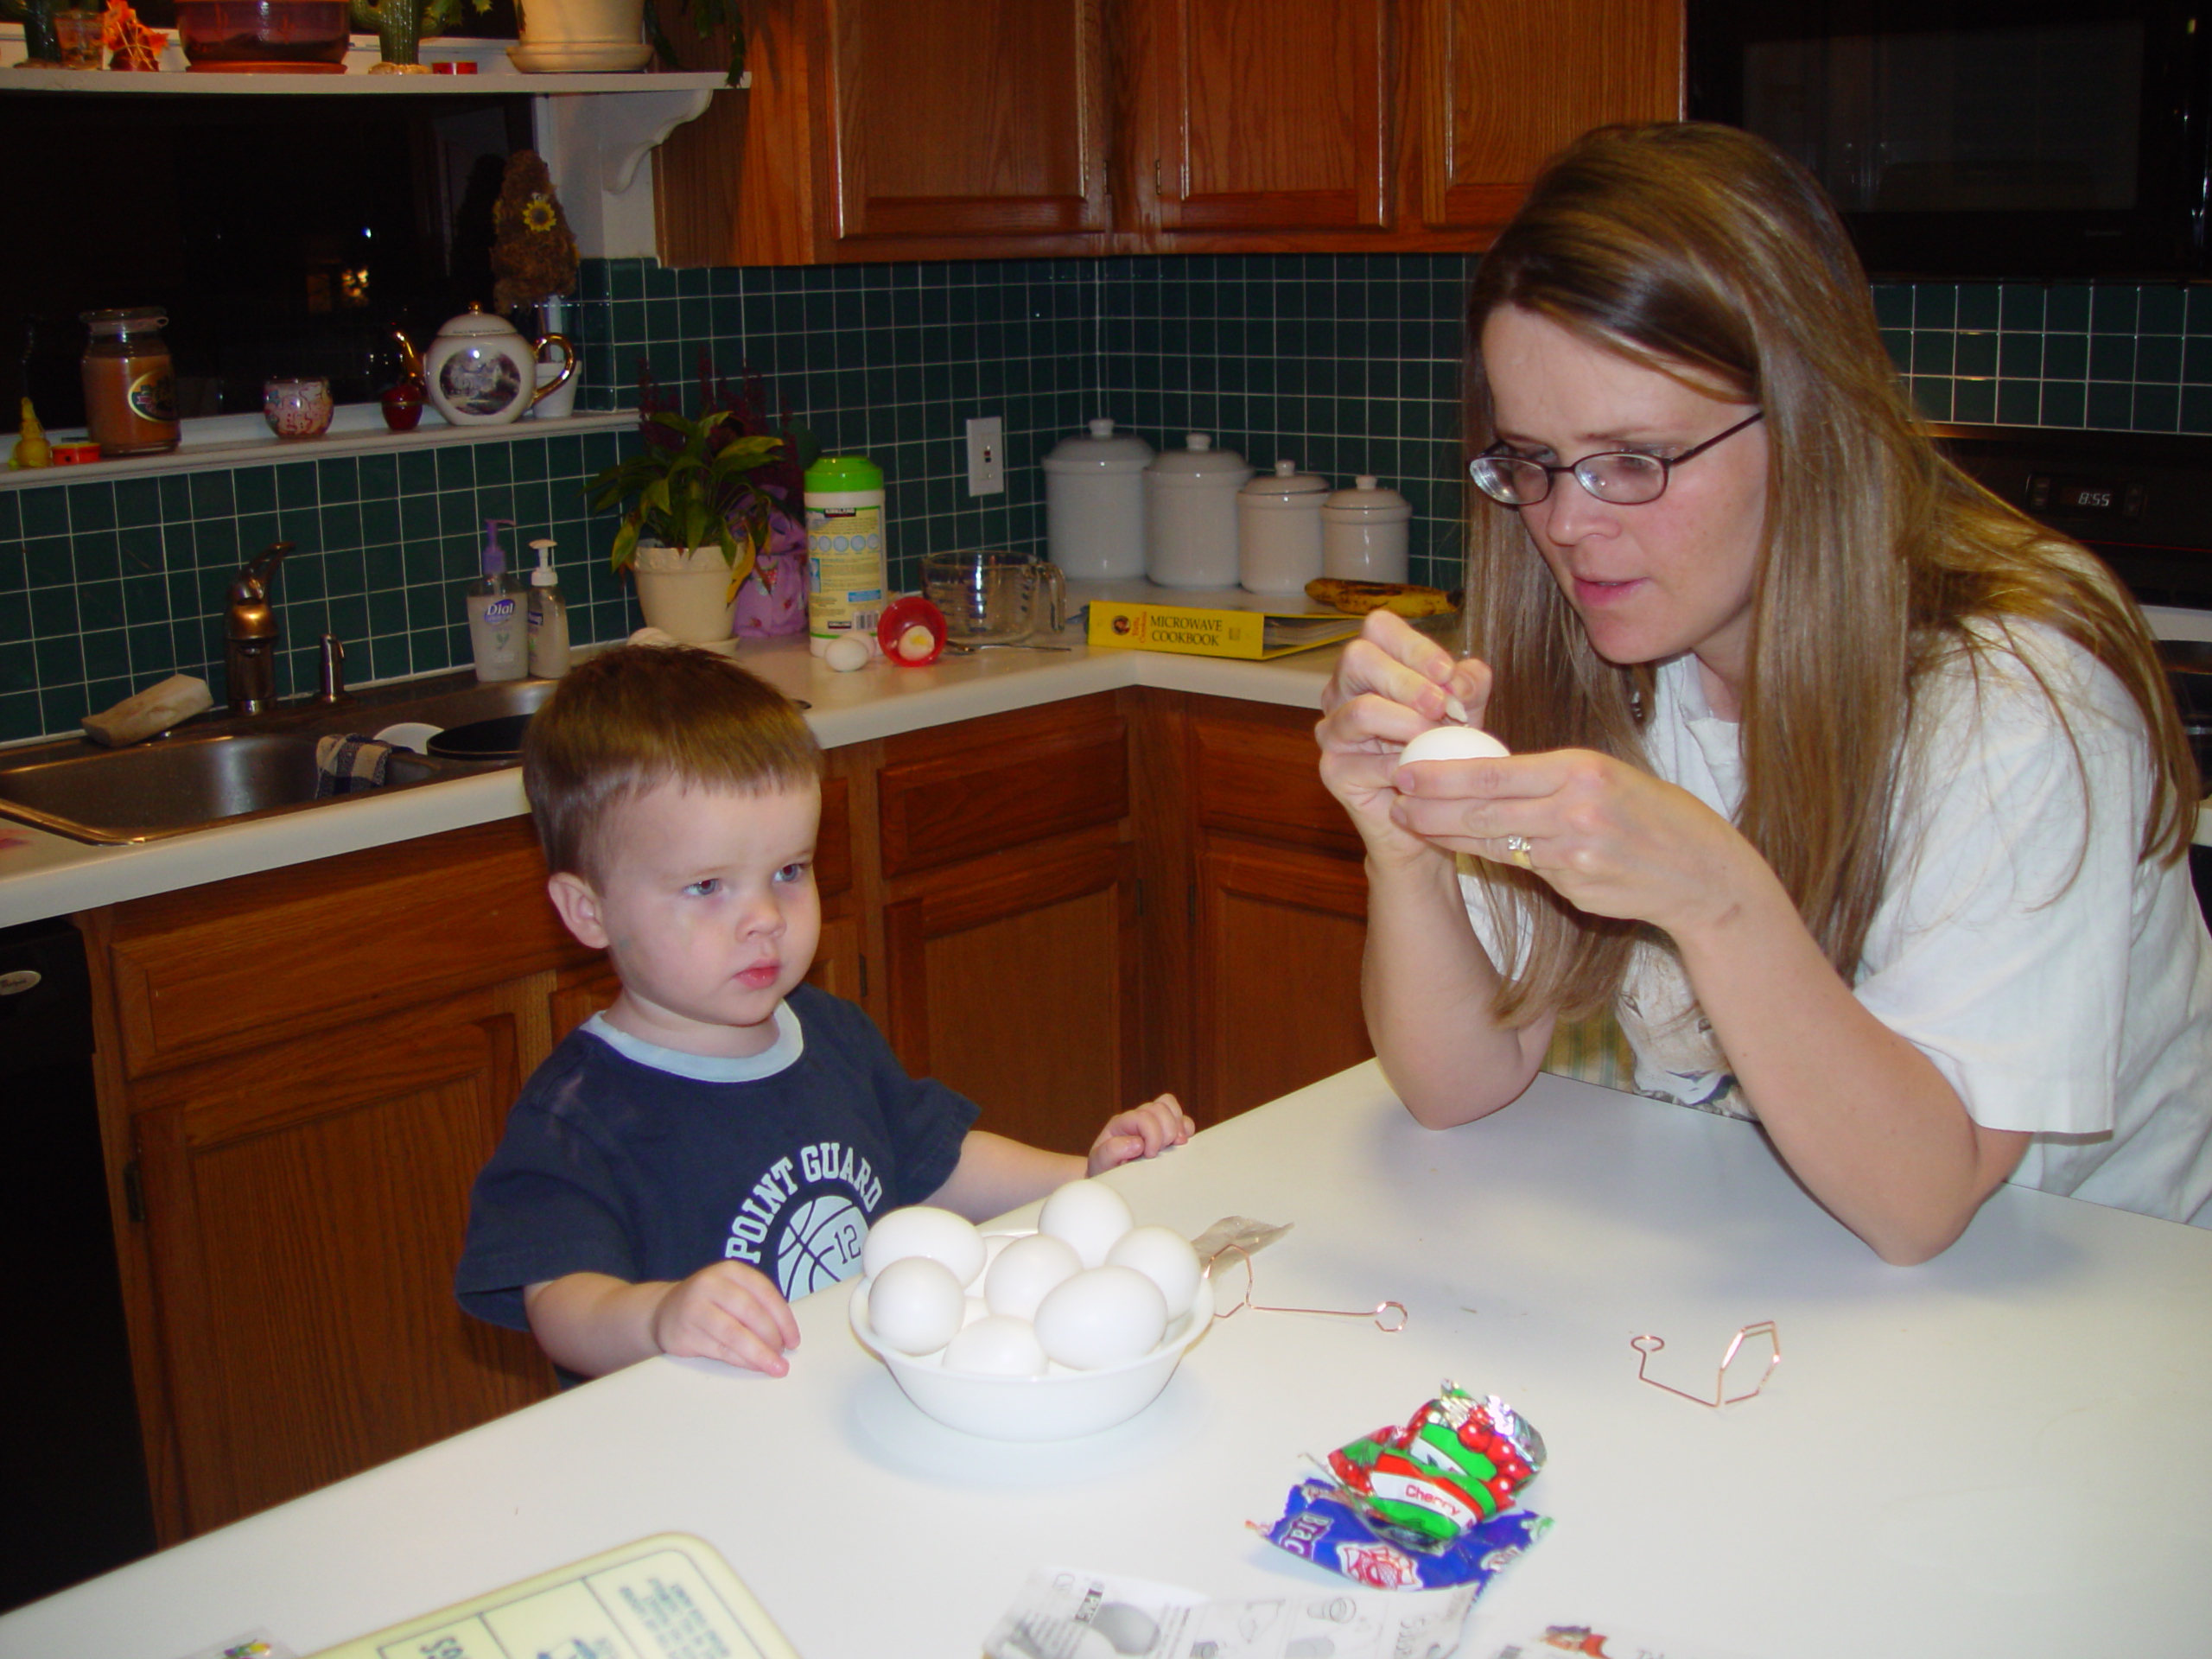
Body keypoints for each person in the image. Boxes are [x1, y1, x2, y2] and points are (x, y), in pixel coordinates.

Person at [1316, 122, 2212, 1264]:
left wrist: (1717, 895)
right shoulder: (1594, 651)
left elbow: (1921, 1202)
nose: (1567, 525)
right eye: (1530, 459)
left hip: (2103, 1294)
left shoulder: (2014, 693)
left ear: (1806, 425)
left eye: (1633, 459)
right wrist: (1408, 854)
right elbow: (1459, 1086)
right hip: (1788, 1250)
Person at [457, 645, 1192, 1379]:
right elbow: (561, 1302)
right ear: (587, 911)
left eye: (789, 871)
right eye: (708, 885)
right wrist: (657, 1316)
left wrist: (1084, 1178)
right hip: (699, 1456)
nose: (765, 918)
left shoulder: (830, 1034)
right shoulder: (576, 1118)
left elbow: (938, 1164)